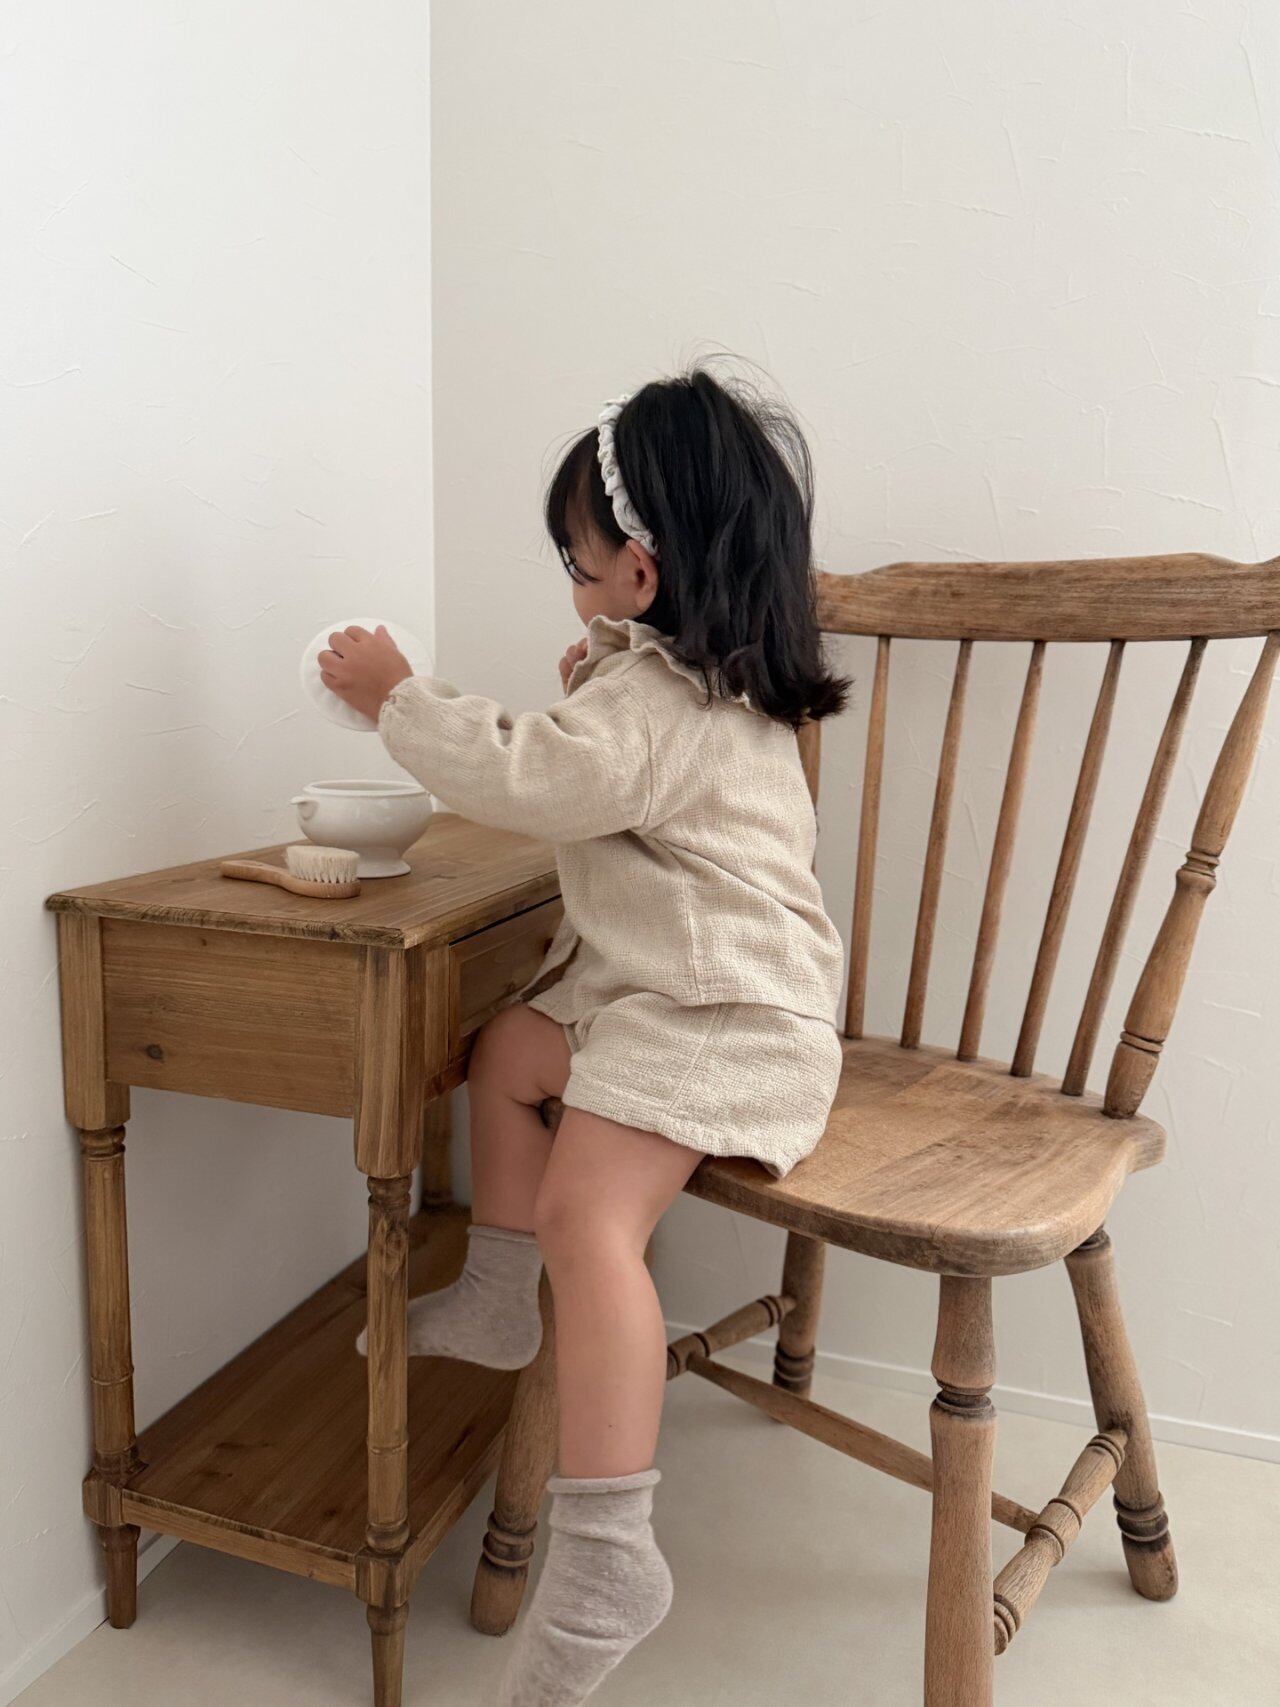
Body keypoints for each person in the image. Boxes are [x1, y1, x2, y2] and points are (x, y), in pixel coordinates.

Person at [318, 360, 850, 1706]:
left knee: (586, 1218)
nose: (573, 586)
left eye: (580, 563)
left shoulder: (655, 708)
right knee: (509, 1053)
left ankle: (610, 1553)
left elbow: (533, 777)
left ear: (643, 573)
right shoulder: (697, 688)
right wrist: (608, 664)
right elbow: (612, 760)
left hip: (722, 1019)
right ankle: (502, 1303)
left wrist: (398, 696)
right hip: (668, 992)